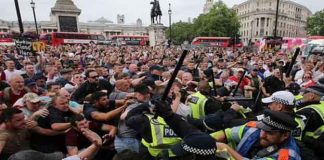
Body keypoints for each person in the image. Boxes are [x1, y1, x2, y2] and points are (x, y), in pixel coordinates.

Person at [296, 84, 324, 158]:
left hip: (310, 149)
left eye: (305, 93)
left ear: (311, 96)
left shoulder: (307, 111)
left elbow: (295, 137)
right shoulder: (321, 106)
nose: (302, 95)